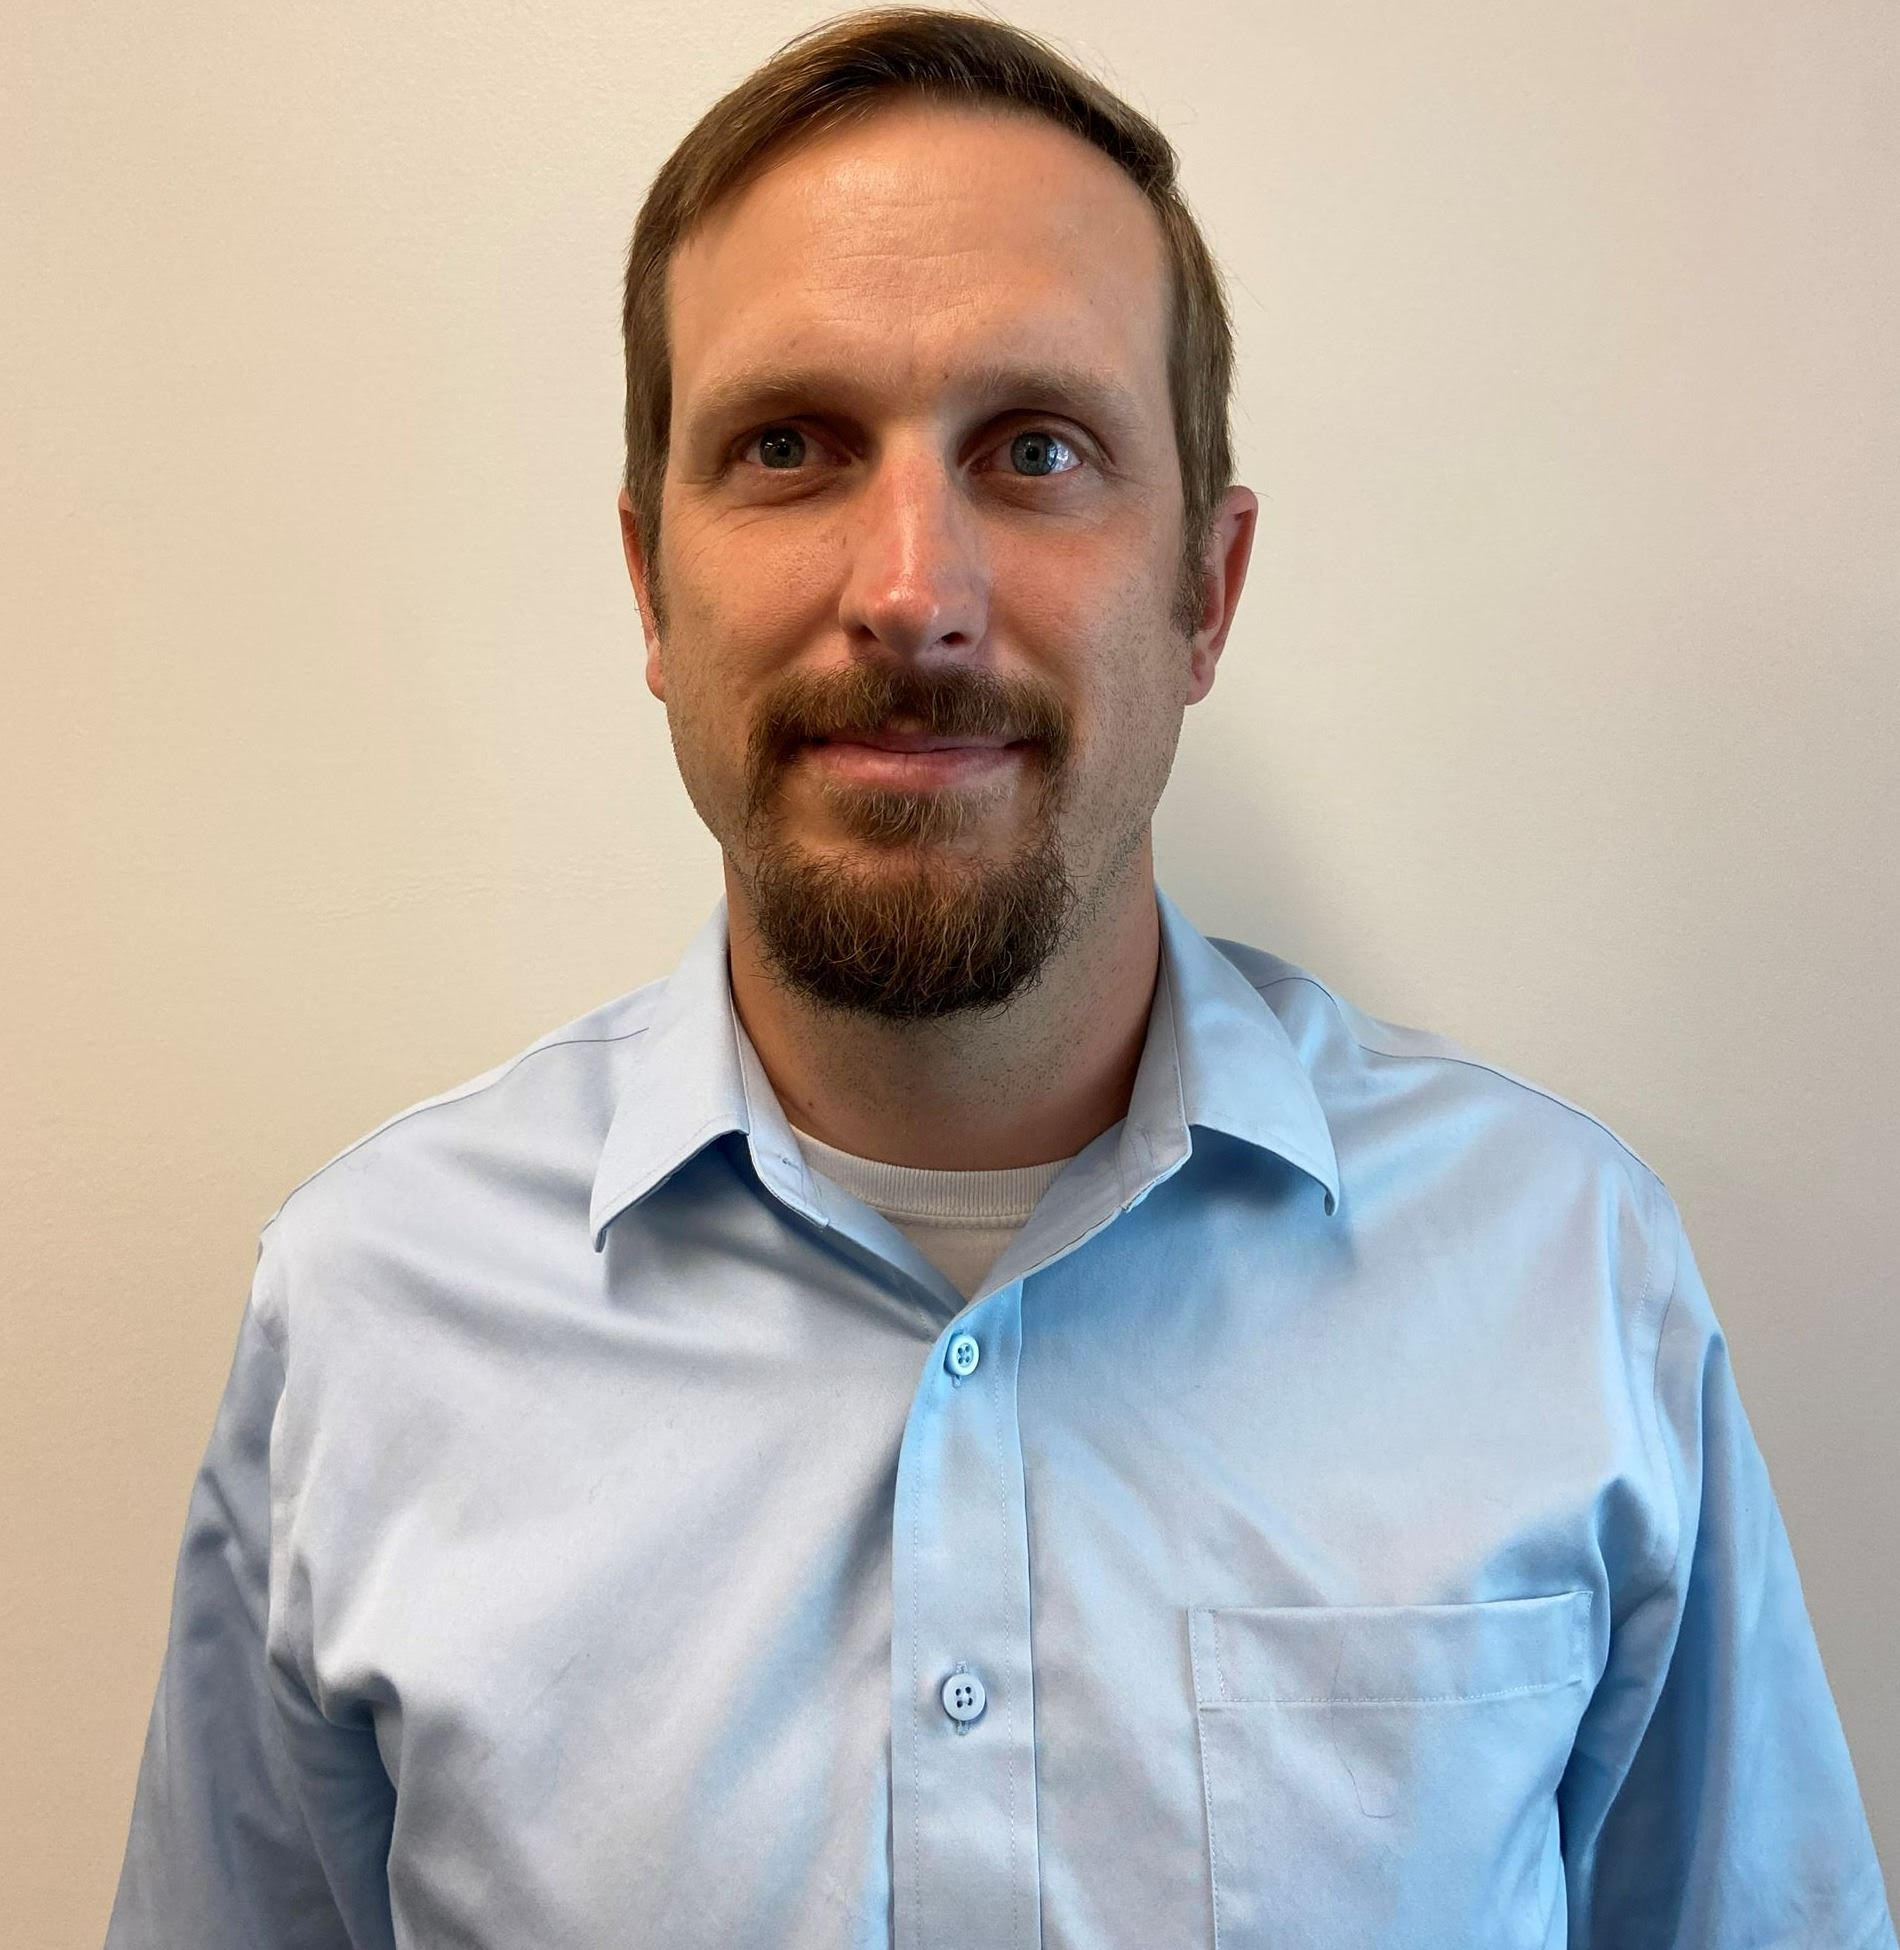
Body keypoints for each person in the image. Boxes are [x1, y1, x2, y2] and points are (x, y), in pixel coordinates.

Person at [107, 9, 1894, 1947]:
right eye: (786, 448)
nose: (910, 590)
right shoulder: (369, 1317)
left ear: (1205, 594)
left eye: (1036, 450)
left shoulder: (1559, 1279)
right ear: (649, 583)